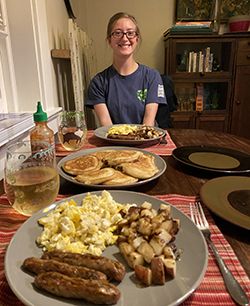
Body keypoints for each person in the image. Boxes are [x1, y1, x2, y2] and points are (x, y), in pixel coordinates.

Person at [85, 12, 167, 126]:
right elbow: (107, 127)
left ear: (137, 39)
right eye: (118, 33)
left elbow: (148, 123)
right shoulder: (98, 82)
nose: (125, 38)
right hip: (114, 141)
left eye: (130, 33)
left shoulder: (152, 77)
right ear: (109, 40)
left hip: (144, 140)